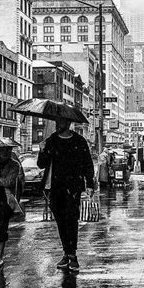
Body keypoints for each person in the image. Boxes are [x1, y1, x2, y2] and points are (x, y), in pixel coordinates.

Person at [37, 117, 95, 273]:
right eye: (57, 122)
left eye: (60, 122)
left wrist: (90, 183)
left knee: (71, 219)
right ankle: (66, 253)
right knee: (61, 221)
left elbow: (87, 164)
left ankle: (72, 254)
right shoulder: (51, 141)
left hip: (73, 187)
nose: (57, 124)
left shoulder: (79, 141)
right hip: (55, 188)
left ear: (68, 123)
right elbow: (41, 164)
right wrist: (41, 150)